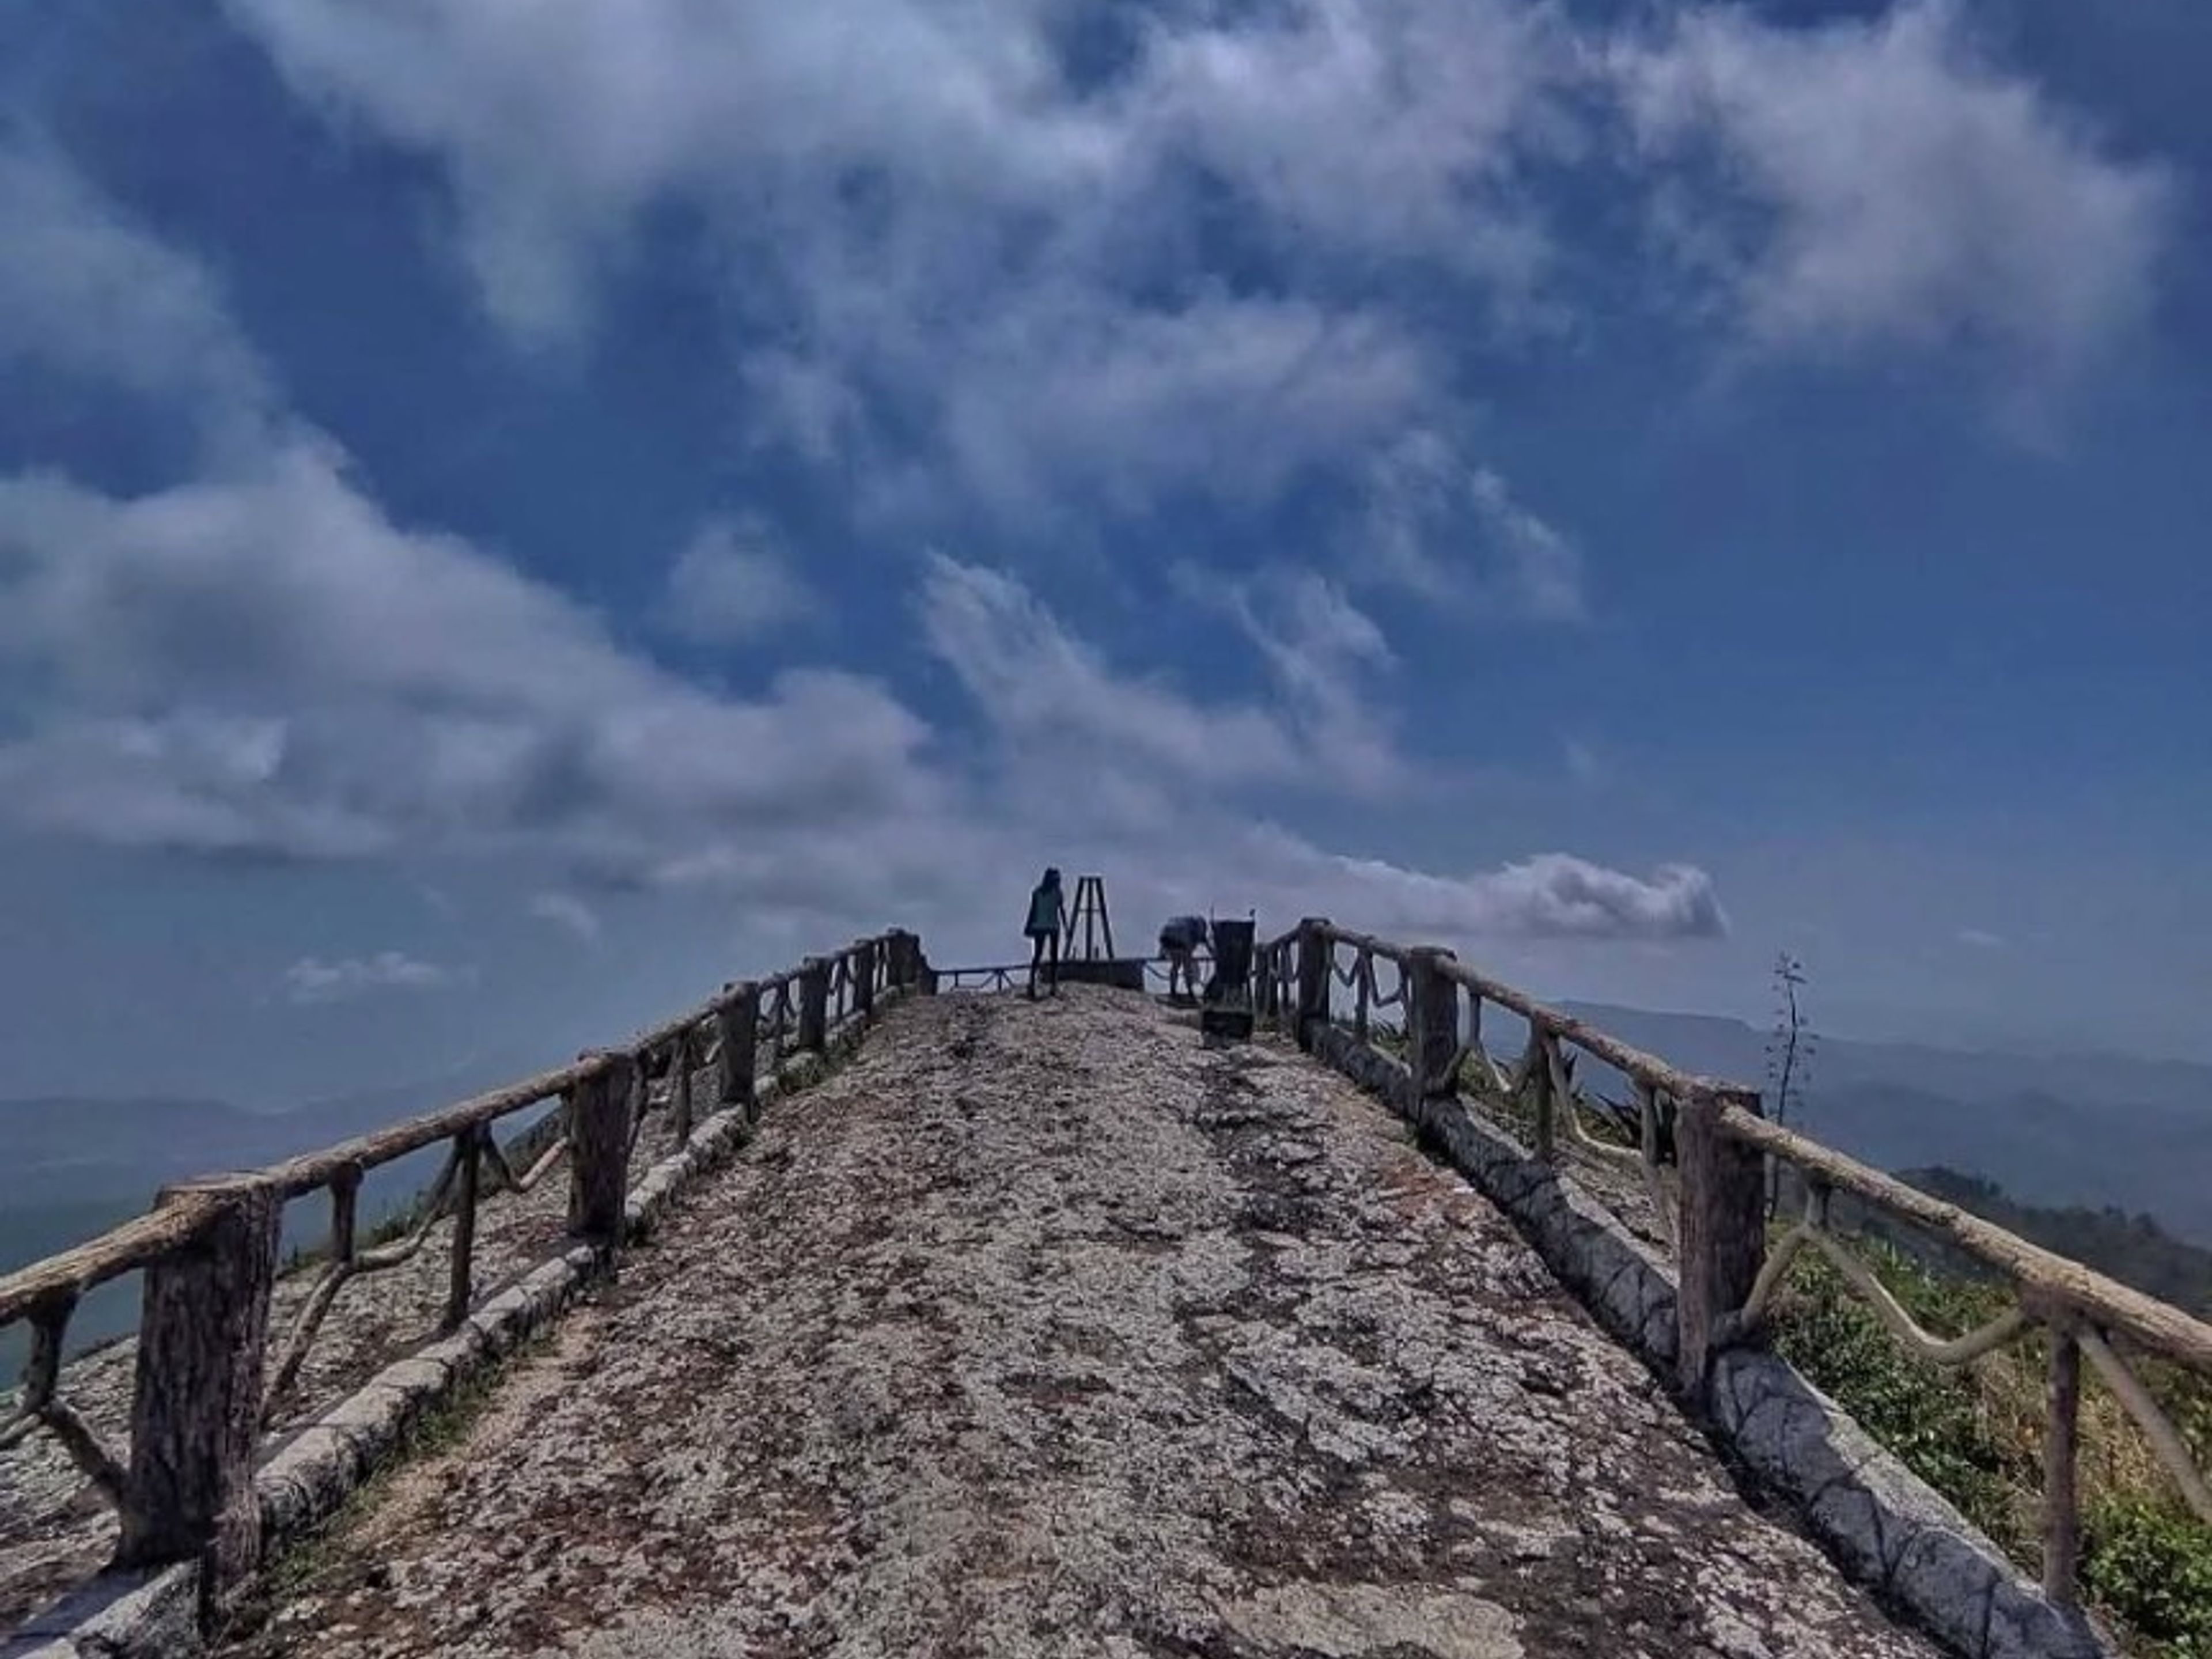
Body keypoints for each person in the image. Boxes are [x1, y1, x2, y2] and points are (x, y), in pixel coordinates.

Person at [1022, 868, 1065, 999]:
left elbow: (1060, 910)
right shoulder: (1043, 893)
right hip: (1046, 925)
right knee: (1041, 956)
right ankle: (1038, 985)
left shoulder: (1044, 892)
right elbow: (1034, 910)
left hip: (1048, 925)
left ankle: (1048, 985)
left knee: (1046, 956)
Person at [1157, 913, 1209, 1002]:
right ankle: (1190, 993)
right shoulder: (1198, 926)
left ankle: (1173, 991)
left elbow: (1166, 934)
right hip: (1181, 939)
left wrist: (1161, 953)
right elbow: (1198, 940)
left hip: (1165, 937)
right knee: (1187, 966)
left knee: (1175, 965)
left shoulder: (1180, 921)